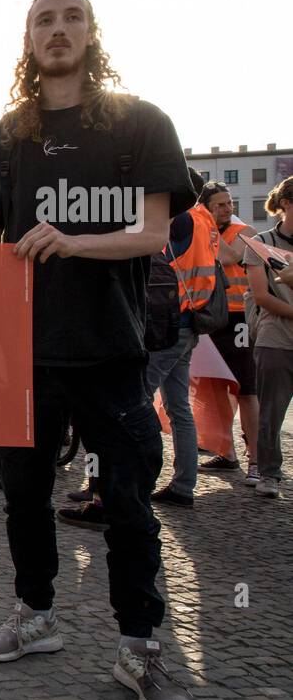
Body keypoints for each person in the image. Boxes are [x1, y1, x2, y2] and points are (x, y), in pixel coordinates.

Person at [0, 0, 197, 700]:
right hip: (25, 357)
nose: (57, 29)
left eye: (71, 17)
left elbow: (155, 235)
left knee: (127, 503)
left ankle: (140, 647)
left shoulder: (141, 124)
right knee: (25, 497)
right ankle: (36, 615)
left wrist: (71, 241)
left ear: (93, 33)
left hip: (112, 346)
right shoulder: (1, 139)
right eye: (42, 20)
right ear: (27, 41)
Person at [140, 168, 220, 507]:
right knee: (178, 408)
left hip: (168, 322)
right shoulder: (204, 219)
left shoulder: (179, 219)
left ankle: (134, 481)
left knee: (136, 402)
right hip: (190, 321)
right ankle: (184, 485)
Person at [200, 180, 260, 482]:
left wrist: (208, 227)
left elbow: (229, 257)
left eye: (229, 203)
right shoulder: (204, 229)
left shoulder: (244, 232)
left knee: (246, 389)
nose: (227, 208)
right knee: (217, 389)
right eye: (220, 205)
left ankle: (256, 459)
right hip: (211, 319)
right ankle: (226, 452)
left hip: (239, 319)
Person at [243, 175, 293, 498]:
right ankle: (269, 472)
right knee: (272, 410)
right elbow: (261, 296)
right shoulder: (260, 243)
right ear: (286, 204)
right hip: (276, 337)